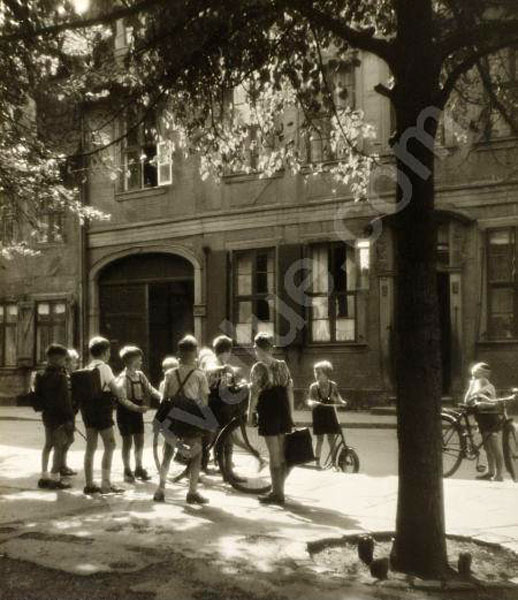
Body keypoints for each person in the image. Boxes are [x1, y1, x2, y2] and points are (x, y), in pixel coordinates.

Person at [82, 336, 146, 495]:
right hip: (102, 412)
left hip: (88, 412)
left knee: (90, 447)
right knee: (110, 445)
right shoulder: (105, 368)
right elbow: (117, 392)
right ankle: (105, 483)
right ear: (104, 352)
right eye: (109, 351)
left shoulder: (87, 367)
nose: (109, 354)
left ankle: (89, 483)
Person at [153, 335, 211, 505]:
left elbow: (164, 399)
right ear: (195, 353)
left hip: (172, 417)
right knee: (196, 454)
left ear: (179, 353)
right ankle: (192, 492)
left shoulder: (170, 373)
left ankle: (160, 489)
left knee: (167, 453)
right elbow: (204, 402)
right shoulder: (199, 375)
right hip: (190, 417)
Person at [248, 332, 294, 506]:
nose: (254, 351)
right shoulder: (282, 365)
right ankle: (280, 490)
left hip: (268, 410)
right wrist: (291, 414)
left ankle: (276, 494)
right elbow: (289, 389)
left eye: (255, 347)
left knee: (273, 455)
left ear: (258, 348)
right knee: (281, 455)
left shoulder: (258, 368)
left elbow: (254, 394)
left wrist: (249, 413)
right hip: (283, 409)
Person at [116, 345, 160, 483]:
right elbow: (122, 399)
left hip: (136, 413)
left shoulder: (140, 375)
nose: (141, 362)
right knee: (127, 442)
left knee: (139, 440)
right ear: (131, 360)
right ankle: (127, 469)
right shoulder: (122, 378)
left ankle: (139, 467)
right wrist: (137, 408)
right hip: (125, 413)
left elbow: (150, 389)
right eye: (139, 359)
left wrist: (162, 397)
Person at [36, 344, 75, 490]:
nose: (65, 362)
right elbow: (65, 401)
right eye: (64, 359)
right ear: (58, 359)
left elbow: (38, 398)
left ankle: (44, 476)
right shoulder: (61, 377)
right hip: (60, 416)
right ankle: (55, 478)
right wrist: (69, 419)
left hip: (47, 415)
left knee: (48, 445)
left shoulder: (41, 375)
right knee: (59, 446)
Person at [464, 362, 504, 482]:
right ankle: (490, 471)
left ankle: (499, 474)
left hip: (491, 419)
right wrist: (471, 387)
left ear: (483, 374)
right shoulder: (475, 385)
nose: (475, 376)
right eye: (474, 374)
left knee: (495, 447)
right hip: (482, 419)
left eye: (476, 373)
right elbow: (466, 401)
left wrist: (481, 404)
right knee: (487, 448)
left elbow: (493, 403)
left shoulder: (488, 386)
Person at [306, 361, 347, 469]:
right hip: (318, 414)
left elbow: (338, 397)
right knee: (319, 439)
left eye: (319, 373)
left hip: (330, 413)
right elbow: (309, 401)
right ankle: (317, 463)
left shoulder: (333, 385)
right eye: (315, 373)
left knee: (331, 439)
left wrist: (342, 402)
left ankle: (334, 463)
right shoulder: (313, 387)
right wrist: (312, 403)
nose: (317, 375)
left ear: (326, 374)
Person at [60, 348, 80, 477]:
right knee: (66, 439)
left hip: (70, 413)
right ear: (66, 363)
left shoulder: (70, 377)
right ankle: (61, 466)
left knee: (68, 439)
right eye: (74, 362)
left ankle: (62, 464)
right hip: (66, 414)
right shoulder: (65, 378)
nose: (76, 365)